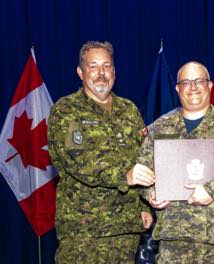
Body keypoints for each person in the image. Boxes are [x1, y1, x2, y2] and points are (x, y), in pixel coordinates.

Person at [131, 61, 214, 263]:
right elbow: (142, 172)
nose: (193, 87)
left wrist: (212, 190)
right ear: (177, 88)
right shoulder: (159, 128)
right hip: (174, 237)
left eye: (199, 81)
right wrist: (151, 193)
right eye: (186, 82)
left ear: (210, 85)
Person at [48, 41, 154, 263]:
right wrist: (125, 175)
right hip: (84, 231)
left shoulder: (129, 109)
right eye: (93, 66)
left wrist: (144, 206)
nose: (101, 74)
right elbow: (78, 162)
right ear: (80, 72)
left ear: (114, 71)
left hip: (126, 227)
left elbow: (143, 157)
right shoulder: (66, 109)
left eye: (106, 66)